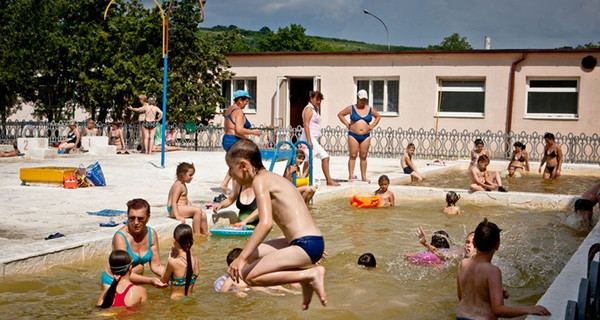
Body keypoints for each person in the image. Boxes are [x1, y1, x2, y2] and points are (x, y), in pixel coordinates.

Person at [225, 139, 327, 310]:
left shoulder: (259, 181)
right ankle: (305, 281)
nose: (230, 175)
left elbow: (265, 224)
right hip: (309, 241)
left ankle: (307, 275)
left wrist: (241, 259)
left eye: (231, 169)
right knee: (249, 254)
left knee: (249, 277)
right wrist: (244, 257)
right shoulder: (273, 178)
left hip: (306, 245)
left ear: (243, 165)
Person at [456, 218, 551, 319]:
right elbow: (498, 310)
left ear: (474, 243)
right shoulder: (493, 271)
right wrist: (528, 309)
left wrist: (490, 291)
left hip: (460, 316)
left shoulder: (463, 264)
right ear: (497, 245)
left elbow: (462, 296)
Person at [100, 199, 167, 294]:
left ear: (148, 218)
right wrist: (150, 281)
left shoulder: (151, 234)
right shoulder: (120, 237)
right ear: (127, 217)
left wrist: (173, 276)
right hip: (114, 280)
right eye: (132, 218)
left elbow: (156, 266)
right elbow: (123, 271)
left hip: (133, 278)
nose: (136, 222)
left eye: (140, 218)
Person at [220, 90, 262, 195]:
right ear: (239, 100)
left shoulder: (229, 109)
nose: (246, 104)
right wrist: (253, 132)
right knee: (240, 164)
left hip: (227, 138)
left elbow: (230, 127)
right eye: (245, 101)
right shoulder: (238, 112)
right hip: (234, 140)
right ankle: (234, 189)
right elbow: (239, 130)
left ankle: (228, 186)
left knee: (235, 163)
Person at [214, 248, 300, 297]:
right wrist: (236, 293)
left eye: (247, 265)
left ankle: (288, 291)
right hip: (249, 291)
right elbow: (223, 292)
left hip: (255, 287)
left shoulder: (250, 274)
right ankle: (272, 294)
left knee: (270, 284)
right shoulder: (231, 279)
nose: (247, 268)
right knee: (255, 287)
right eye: (243, 267)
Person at [337, 89, 382, 183]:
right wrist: (347, 124)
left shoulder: (369, 109)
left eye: (365, 99)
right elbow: (340, 114)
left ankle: (364, 176)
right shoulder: (351, 108)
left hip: (365, 135)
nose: (363, 101)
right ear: (357, 98)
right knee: (353, 155)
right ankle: (350, 176)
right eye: (361, 99)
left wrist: (372, 126)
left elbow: (378, 116)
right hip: (353, 135)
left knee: (364, 156)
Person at [300, 91, 340, 186]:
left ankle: (303, 180)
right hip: (309, 137)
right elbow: (306, 125)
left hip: (313, 137)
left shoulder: (314, 109)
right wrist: (309, 140)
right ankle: (329, 180)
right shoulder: (309, 109)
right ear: (311, 99)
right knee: (325, 156)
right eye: (317, 99)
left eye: (320, 100)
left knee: (307, 159)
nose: (319, 102)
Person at [167, 163, 208, 235]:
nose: (192, 177)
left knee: (203, 214)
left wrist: (191, 207)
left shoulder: (183, 184)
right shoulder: (178, 185)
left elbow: (185, 199)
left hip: (180, 208)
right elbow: (174, 202)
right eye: (190, 175)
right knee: (197, 210)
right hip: (173, 209)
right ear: (182, 174)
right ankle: (197, 233)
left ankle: (205, 232)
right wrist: (178, 216)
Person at [160, 224, 199, 299]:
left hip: (176, 302)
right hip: (190, 299)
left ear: (174, 241)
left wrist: (169, 258)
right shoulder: (195, 260)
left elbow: (163, 281)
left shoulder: (173, 262)